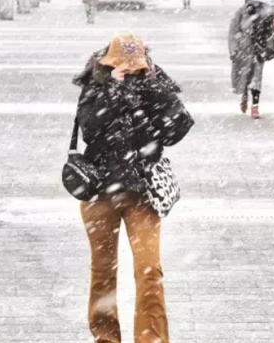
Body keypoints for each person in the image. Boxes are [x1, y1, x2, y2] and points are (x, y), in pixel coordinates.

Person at [72, 34, 194, 343]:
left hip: (143, 194)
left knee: (149, 270)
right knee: (102, 272)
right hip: (101, 192)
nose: (129, 71)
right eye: (121, 66)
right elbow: (90, 130)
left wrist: (155, 89)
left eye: (134, 67)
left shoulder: (153, 84)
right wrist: (112, 89)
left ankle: (151, 340)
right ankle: (106, 338)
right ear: (108, 62)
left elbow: (177, 130)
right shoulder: (96, 85)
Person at [229, 0, 274, 119]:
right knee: (245, 76)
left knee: (256, 78)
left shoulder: (267, 12)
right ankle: (244, 97)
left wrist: (269, 48)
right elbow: (233, 31)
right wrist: (234, 49)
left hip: (259, 50)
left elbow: (270, 32)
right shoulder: (241, 12)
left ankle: (255, 106)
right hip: (243, 50)